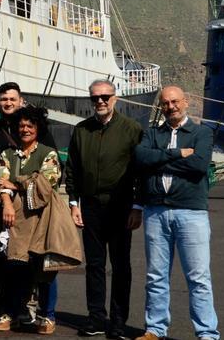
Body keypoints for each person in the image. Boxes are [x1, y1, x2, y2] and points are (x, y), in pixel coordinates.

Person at [133, 87, 219, 340]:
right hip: (156, 212)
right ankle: (155, 329)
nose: (171, 106)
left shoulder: (201, 133)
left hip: (191, 212)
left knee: (199, 277)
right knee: (156, 276)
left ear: (186, 102)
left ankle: (207, 333)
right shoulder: (151, 133)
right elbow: (140, 158)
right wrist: (178, 153)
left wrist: (158, 159)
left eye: (175, 101)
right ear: (160, 106)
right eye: (166, 103)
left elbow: (199, 165)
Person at [65, 79, 144, 339]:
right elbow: (73, 169)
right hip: (90, 206)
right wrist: (74, 202)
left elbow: (140, 172)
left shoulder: (132, 129)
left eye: (105, 97)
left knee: (121, 265)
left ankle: (119, 322)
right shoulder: (81, 130)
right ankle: (96, 318)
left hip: (120, 207)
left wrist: (137, 206)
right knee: (95, 265)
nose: (100, 101)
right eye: (95, 98)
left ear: (115, 98)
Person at [0, 107, 65, 335]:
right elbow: (0, 183)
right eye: (21, 126)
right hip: (16, 217)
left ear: (37, 128)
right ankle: (12, 312)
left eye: (29, 126)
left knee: (45, 268)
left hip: (43, 218)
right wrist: (6, 203)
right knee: (14, 266)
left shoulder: (48, 154)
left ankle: (47, 315)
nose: (24, 130)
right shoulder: (7, 155)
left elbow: (47, 185)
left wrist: (16, 184)